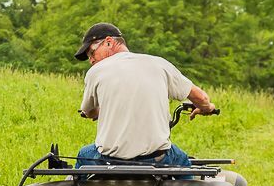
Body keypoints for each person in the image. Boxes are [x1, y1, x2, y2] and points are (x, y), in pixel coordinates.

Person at [74, 22, 216, 168]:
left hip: (109, 159)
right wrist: (207, 108)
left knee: (83, 156)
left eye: (92, 53)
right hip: (157, 158)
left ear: (109, 42)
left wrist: (100, 112)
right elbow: (201, 98)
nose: (91, 60)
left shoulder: (96, 72)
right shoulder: (159, 64)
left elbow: (89, 112)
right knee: (184, 165)